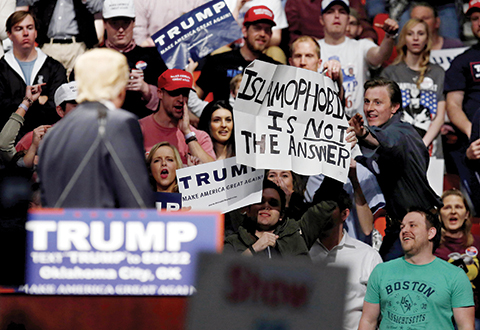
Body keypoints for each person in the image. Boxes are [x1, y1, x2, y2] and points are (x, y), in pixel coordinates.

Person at [37, 48, 154, 208]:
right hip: (105, 230)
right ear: (119, 87)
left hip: (60, 230)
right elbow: (136, 200)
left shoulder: (52, 134)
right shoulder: (119, 123)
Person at [349, 78, 441, 260]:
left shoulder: (402, 132)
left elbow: (388, 143)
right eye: (367, 101)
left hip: (418, 230)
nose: (370, 108)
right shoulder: (382, 136)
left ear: (395, 107)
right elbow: (375, 157)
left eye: (378, 102)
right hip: (397, 228)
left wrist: (363, 134)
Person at [358, 208, 475, 330]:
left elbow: (466, 326)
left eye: (412, 225)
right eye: (402, 227)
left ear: (431, 233)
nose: (405, 230)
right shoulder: (381, 271)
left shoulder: (455, 276)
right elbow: (368, 321)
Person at [309, 184, 382, 330]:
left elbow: (381, 312)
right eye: (318, 209)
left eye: (328, 208)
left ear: (345, 214)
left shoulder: (368, 256)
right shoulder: (301, 252)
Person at [317, 0, 398, 119]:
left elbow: (380, 55)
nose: (337, 16)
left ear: (348, 18)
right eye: (330, 12)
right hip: (321, 124)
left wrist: (389, 36)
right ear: (321, 19)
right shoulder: (312, 49)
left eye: (342, 12)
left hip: (358, 127)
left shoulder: (362, 46)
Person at [223, 179, 338, 258]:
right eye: (260, 201)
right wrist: (253, 250)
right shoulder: (233, 242)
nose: (266, 206)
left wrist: (339, 158)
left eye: (273, 203)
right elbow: (220, 276)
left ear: (281, 215)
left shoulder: (298, 233)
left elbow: (326, 202)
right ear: (247, 209)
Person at [381, 18, 445, 156]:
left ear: (427, 38)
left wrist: (421, 145)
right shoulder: (390, 73)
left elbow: (440, 116)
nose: (415, 38)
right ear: (404, 38)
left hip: (430, 150)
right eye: (410, 34)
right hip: (398, 148)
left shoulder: (438, 72)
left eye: (421, 33)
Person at [0, 11, 67, 138]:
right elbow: (1, 108)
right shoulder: (1, 68)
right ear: (9, 34)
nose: (25, 33)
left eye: (29, 28)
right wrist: (35, 101)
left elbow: (58, 107)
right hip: (8, 142)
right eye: (19, 29)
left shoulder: (54, 68)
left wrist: (22, 103)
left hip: (47, 140)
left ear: (36, 32)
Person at [195, 5, 280, 102]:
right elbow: (195, 99)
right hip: (223, 116)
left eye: (267, 30)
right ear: (244, 31)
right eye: (257, 28)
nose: (262, 34)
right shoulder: (218, 61)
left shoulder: (276, 68)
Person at [443, 0, 480, 215]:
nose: (479, 23)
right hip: (475, 143)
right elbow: (453, 105)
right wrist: (474, 134)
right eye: (475, 19)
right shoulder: (462, 61)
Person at [102, 0, 167, 119]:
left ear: (134, 23)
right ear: (105, 24)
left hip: (143, 124)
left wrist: (146, 89)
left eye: (126, 23)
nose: (121, 29)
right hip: (102, 123)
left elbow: (169, 98)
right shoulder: (91, 59)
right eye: (115, 23)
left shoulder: (152, 57)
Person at [139, 69, 216, 165]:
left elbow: (212, 172)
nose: (181, 99)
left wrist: (188, 133)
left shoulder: (199, 137)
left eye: (185, 93)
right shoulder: (138, 129)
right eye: (174, 93)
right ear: (160, 93)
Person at [435, 189, 480, 328]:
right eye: (447, 207)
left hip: (474, 315)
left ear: (466, 214)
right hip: (440, 316)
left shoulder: (478, 243)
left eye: (458, 207)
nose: (453, 211)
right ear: (440, 214)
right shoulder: (430, 246)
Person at [20, 0, 103, 75]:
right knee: (48, 84)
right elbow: (28, 2)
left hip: (77, 46)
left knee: (79, 84)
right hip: (49, 46)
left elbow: (98, 7)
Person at [16, 81, 78, 153]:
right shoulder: (35, 139)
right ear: (60, 110)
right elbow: (10, 159)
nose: (84, 110)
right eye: (76, 106)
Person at [285, 0, 377, 44]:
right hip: (312, 49)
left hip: (348, 45)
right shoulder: (296, 2)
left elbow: (364, 26)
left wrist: (368, 41)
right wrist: (311, 42)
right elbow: (291, 35)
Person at [133, 0, 208, 47]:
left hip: (189, 50)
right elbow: (138, 33)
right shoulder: (141, 1)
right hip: (154, 52)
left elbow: (206, 27)